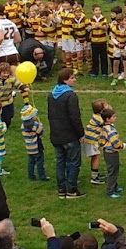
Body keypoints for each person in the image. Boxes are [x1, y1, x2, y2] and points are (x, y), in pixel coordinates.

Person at [48, 67, 85, 199]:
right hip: (69, 135)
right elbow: (75, 117)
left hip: (56, 134)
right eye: (72, 78)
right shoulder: (70, 95)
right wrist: (81, 133)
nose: (74, 80)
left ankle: (61, 190)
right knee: (74, 162)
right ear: (65, 80)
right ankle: (72, 190)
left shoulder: (52, 94)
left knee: (60, 163)